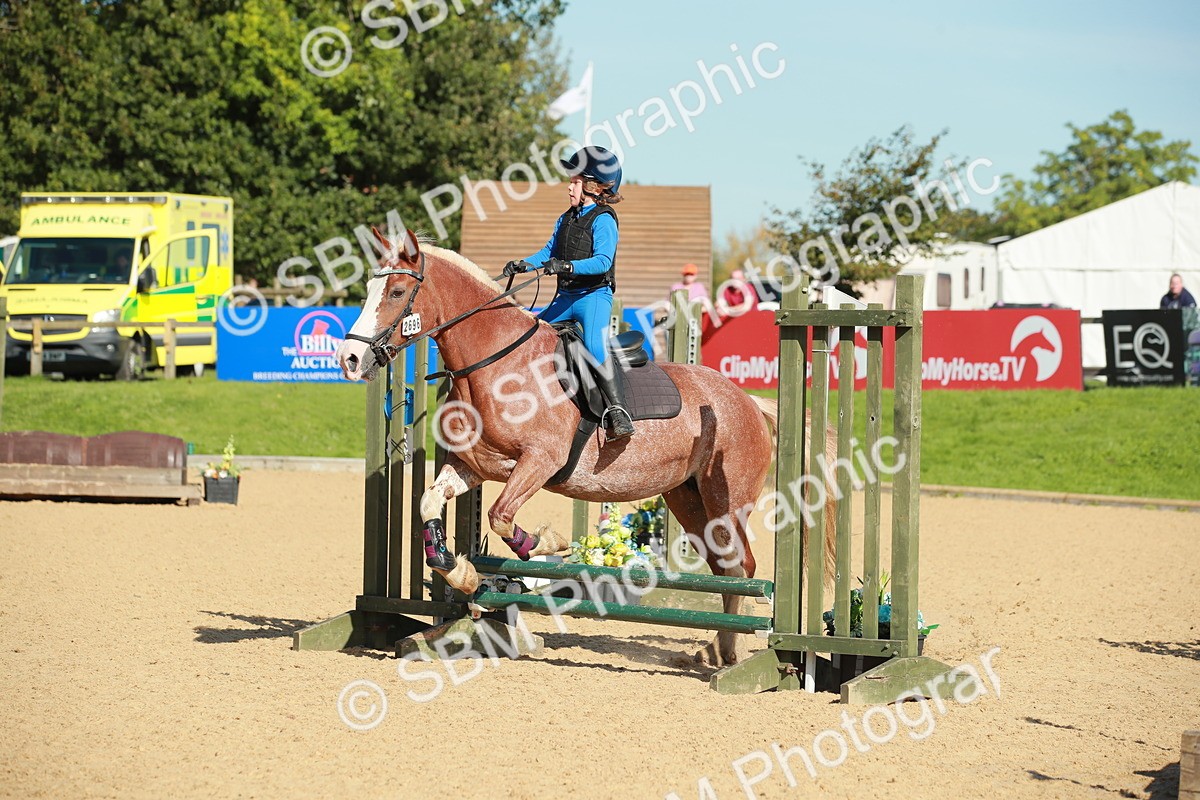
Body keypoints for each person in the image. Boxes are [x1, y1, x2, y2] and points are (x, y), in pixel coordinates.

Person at [503, 145, 634, 439]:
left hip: (593, 297)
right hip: (565, 298)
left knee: (595, 345)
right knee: (530, 332)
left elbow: (602, 262)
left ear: (591, 186)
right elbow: (547, 252)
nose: (569, 187)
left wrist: (567, 267)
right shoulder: (565, 218)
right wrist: (524, 264)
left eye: (574, 182)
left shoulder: (604, 219)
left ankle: (617, 410)